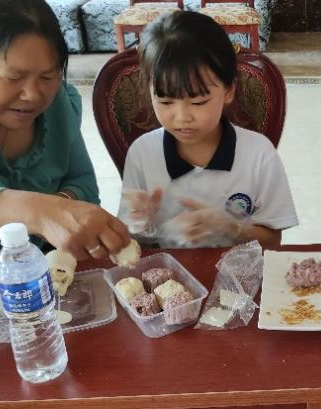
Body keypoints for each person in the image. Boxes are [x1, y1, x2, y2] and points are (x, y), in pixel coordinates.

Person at [0, 0, 130, 259]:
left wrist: (62, 209)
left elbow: (82, 182)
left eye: (47, 77)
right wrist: (38, 212)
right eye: (13, 78)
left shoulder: (59, 102)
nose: (33, 95)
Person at [119, 11, 298, 248]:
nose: (182, 117)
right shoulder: (142, 153)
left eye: (198, 102)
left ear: (229, 91)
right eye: (166, 101)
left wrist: (232, 228)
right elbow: (133, 241)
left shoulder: (259, 154)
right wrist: (141, 223)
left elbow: (273, 240)